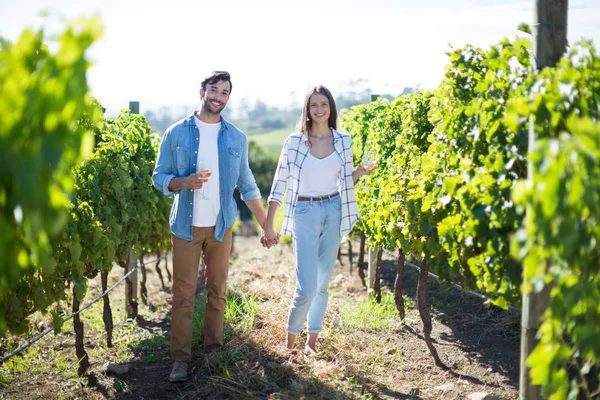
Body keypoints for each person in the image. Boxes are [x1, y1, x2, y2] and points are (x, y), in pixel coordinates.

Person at [152, 71, 278, 382]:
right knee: (183, 293)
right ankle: (180, 360)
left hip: (222, 226)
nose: (218, 96)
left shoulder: (236, 137)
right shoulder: (177, 132)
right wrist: (183, 182)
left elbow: (247, 185)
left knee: (217, 290)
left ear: (228, 98)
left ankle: (213, 351)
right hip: (186, 226)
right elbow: (158, 177)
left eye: (224, 92)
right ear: (202, 91)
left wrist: (266, 225)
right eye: (214, 90)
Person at [261, 85, 376, 354]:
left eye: (324, 104)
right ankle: (289, 345)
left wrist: (359, 172)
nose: (319, 109)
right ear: (308, 110)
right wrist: (269, 222)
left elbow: (344, 183)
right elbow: (280, 183)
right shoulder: (294, 142)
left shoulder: (343, 141)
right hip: (304, 212)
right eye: (314, 105)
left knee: (323, 285)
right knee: (307, 287)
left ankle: (311, 344)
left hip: (334, 210)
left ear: (330, 108)